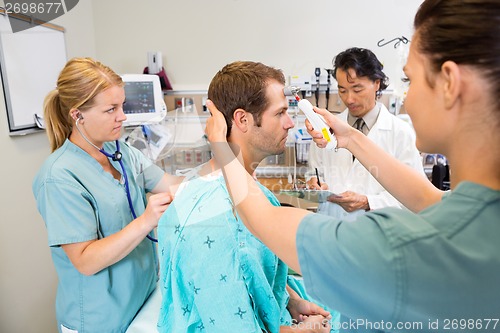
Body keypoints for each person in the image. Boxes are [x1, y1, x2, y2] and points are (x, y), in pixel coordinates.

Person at [205, 0, 500, 331]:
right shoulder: (482, 221)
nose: (405, 98)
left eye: (410, 80)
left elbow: (262, 219)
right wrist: (351, 139)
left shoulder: (407, 247)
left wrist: (222, 147)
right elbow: (431, 200)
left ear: (449, 83)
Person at [157, 61, 337, 333]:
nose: (290, 124)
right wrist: (303, 331)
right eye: (280, 114)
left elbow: (250, 268)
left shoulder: (226, 184)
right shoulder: (218, 221)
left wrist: (291, 300)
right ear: (243, 120)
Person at [32, 58, 182, 333]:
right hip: (99, 319)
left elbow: (171, 184)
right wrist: (147, 220)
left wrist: (226, 167)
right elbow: (85, 260)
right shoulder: (59, 177)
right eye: (111, 109)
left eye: (122, 105)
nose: (122, 116)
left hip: (140, 301)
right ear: (78, 115)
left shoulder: (120, 151)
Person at [306, 47, 425, 220]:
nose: (349, 99)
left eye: (357, 89)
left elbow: (415, 195)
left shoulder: (401, 133)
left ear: (377, 83)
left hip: (381, 233)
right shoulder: (324, 129)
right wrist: (314, 185)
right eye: (342, 90)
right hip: (332, 230)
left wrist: (369, 202)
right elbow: (314, 174)